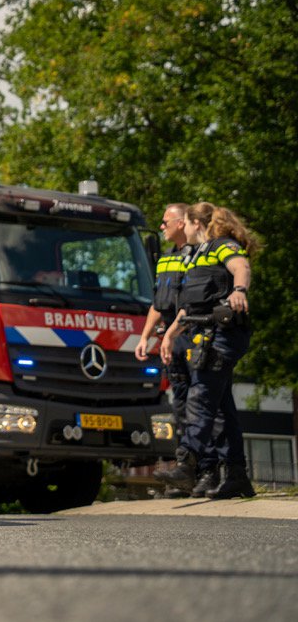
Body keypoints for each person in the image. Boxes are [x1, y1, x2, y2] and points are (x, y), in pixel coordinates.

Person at [155, 202, 259, 499]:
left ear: (195, 224)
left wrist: (239, 291)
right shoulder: (195, 257)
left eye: (185, 223)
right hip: (200, 333)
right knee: (221, 406)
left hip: (223, 335)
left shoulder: (221, 247)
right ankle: (237, 475)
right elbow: (189, 306)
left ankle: (187, 465)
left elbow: (241, 266)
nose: (183, 230)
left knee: (200, 399)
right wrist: (171, 334)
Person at [135, 203, 201, 496]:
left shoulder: (198, 255)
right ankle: (186, 474)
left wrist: (173, 333)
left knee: (201, 406)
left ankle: (205, 471)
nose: (161, 227)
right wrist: (144, 336)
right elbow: (158, 304)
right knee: (180, 408)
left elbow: (193, 303)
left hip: (191, 337)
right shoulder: (165, 260)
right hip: (169, 342)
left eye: (165, 222)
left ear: (182, 222)